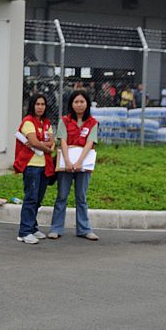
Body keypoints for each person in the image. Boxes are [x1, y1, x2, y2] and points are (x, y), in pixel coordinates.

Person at [48, 91, 99, 241]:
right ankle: (56, 228)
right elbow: (62, 141)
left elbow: (90, 143)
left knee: (81, 197)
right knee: (62, 196)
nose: (79, 105)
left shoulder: (92, 122)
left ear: (87, 104)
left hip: (83, 165)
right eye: (76, 102)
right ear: (71, 104)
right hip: (66, 164)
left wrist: (79, 162)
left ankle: (84, 229)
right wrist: (68, 161)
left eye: (82, 102)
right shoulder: (64, 121)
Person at [13, 94, 55, 244]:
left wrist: (45, 146)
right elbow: (33, 141)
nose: (40, 107)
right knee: (30, 198)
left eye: (43, 104)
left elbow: (52, 141)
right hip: (31, 166)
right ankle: (24, 232)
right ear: (32, 105)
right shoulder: (28, 121)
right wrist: (47, 148)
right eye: (37, 104)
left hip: (45, 166)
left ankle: (32, 227)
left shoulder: (46, 122)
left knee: (38, 199)